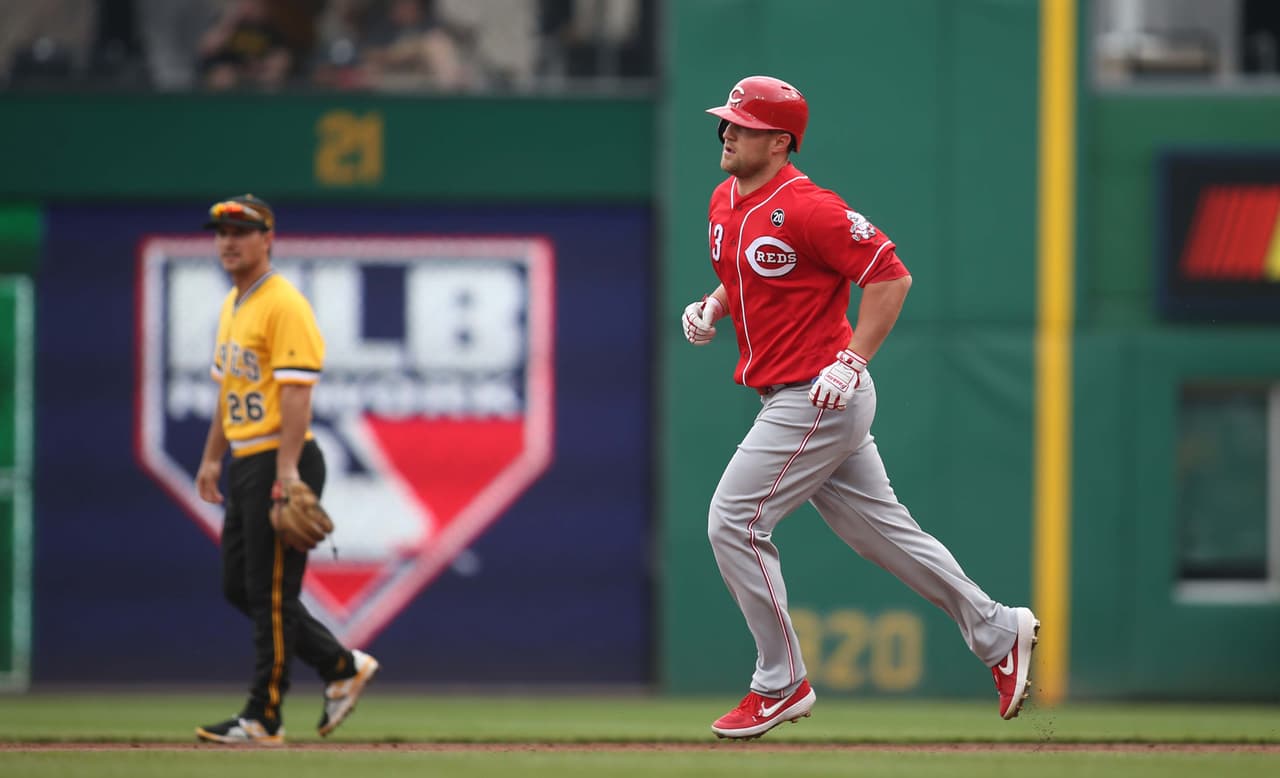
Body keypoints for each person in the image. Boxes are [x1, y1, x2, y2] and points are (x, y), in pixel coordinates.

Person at [681, 76, 1040, 740]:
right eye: (725, 121)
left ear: (780, 142)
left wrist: (853, 362)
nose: (726, 132)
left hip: (818, 392)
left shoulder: (811, 207)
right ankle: (997, 629)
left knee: (733, 520)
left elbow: (890, 274)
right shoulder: (724, 199)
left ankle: (780, 680)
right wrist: (714, 304)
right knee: (885, 537)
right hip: (791, 393)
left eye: (742, 124)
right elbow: (745, 270)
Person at [194, 194, 379, 745]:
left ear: (267, 237)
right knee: (240, 588)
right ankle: (340, 667)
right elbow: (232, 389)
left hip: (280, 457)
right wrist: (211, 457)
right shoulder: (235, 304)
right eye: (222, 232)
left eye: (242, 232)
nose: (229, 242)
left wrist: (289, 472)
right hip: (247, 457)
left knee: (270, 596)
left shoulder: (283, 303)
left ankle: (263, 716)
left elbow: (296, 392)